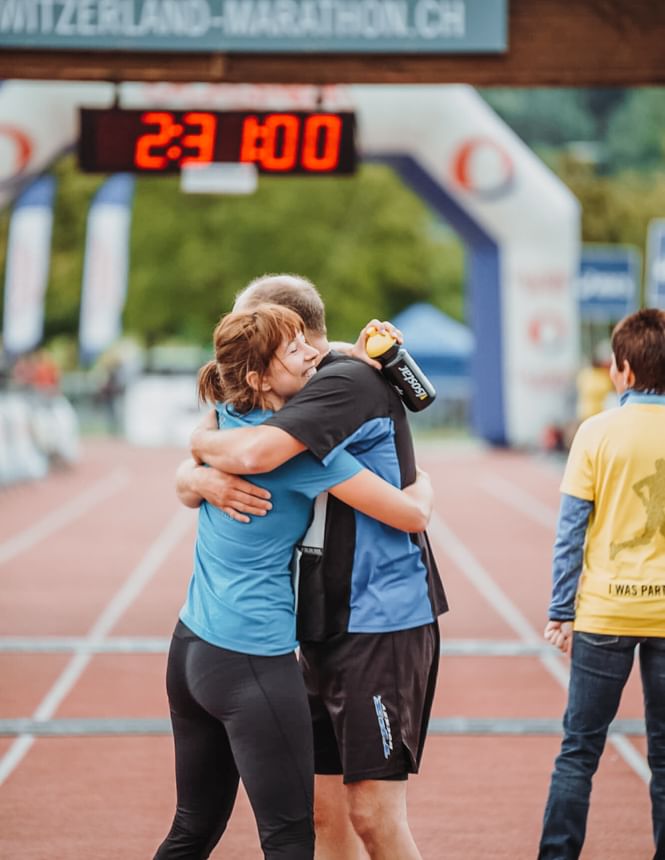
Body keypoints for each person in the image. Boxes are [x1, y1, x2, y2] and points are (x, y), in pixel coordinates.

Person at [178, 274, 447, 860]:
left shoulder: (342, 383)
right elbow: (223, 426)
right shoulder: (301, 386)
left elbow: (251, 452)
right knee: (326, 815)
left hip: (380, 617)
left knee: (373, 815)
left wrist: (198, 462)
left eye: (269, 339)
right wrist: (192, 475)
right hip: (322, 614)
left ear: (296, 333)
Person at [538, 308, 665, 860]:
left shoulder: (595, 432)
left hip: (605, 612)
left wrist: (560, 611)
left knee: (579, 751)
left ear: (625, 370)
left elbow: (571, 534)